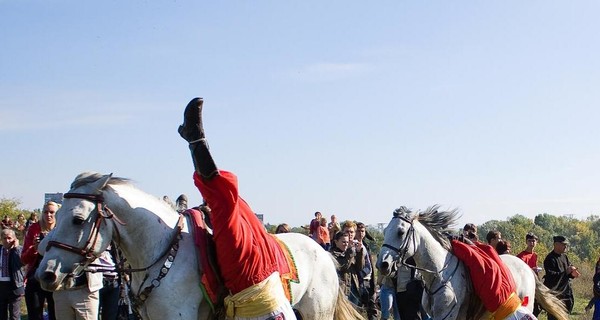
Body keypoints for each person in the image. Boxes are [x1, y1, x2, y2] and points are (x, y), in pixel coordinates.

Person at [178, 97, 296, 319]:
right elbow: (215, 186)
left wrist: (196, 141)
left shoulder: (231, 233)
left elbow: (217, 188)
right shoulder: (243, 219)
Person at [450, 239, 537, 319]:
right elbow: (489, 250)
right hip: (514, 299)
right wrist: (467, 243)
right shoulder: (509, 281)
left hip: (505, 311)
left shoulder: (493, 296)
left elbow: (473, 258)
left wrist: (454, 243)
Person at [21, 201, 58, 320]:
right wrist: (34, 249)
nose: (48, 215)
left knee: (55, 314)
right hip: (35, 276)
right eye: (46, 212)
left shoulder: (61, 228)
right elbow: (23, 259)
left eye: (52, 212)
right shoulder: (34, 228)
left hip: (55, 277)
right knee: (35, 314)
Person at [543, 235, 579, 318]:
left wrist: (572, 273)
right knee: (554, 316)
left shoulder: (564, 256)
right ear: (556, 244)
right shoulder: (550, 258)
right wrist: (566, 272)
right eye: (564, 244)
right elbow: (551, 276)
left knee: (565, 315)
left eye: (566, 244)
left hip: (566, 291)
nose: (565, 246)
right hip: (555, 294)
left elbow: (567, 272)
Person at [0, 228, 25, 320]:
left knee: (14, 315)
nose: (7, 240)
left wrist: (16, 248)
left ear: (14, 239)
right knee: (1, 314)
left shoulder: (20, 250)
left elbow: (21, 262)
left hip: (14, 285)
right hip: (1, 285)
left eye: (9, 238)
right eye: (4, 238)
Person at [329, 231, 360, 303]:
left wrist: (359, 252)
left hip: (352, 288)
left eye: (347, 242)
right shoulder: (332, 254)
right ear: (336, 242)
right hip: (341, 290)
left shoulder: (349, 253)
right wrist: (350, 251)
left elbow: (359, 267)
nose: (346, 245)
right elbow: (343, 266)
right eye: (343, 242)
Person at [355, 222, 377, 320]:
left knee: (372, 310)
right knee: (357, 309)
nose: (360, 233)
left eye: (362, 231)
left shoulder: (366, 245)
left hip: (369, 282)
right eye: (358, 231)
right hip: (359, 282)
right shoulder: (353, 245)